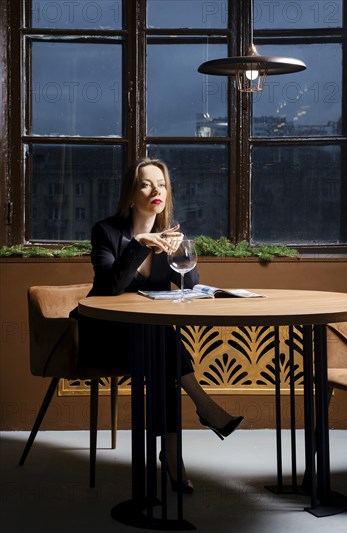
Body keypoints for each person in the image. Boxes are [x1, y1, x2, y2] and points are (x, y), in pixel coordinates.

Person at [74, 158, 244, 493]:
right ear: (131, 193)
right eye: (146, 184)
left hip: (147, 337)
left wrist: (180, 253)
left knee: (159, 344)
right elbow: (111, 287)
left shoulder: (170, 234)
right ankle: (200, 414)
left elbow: (189, 284)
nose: (157, 191)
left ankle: (174, 451)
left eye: (162, 184)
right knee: (160, 340)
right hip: (103, 334)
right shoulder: (106, 232)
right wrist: (140, 245)